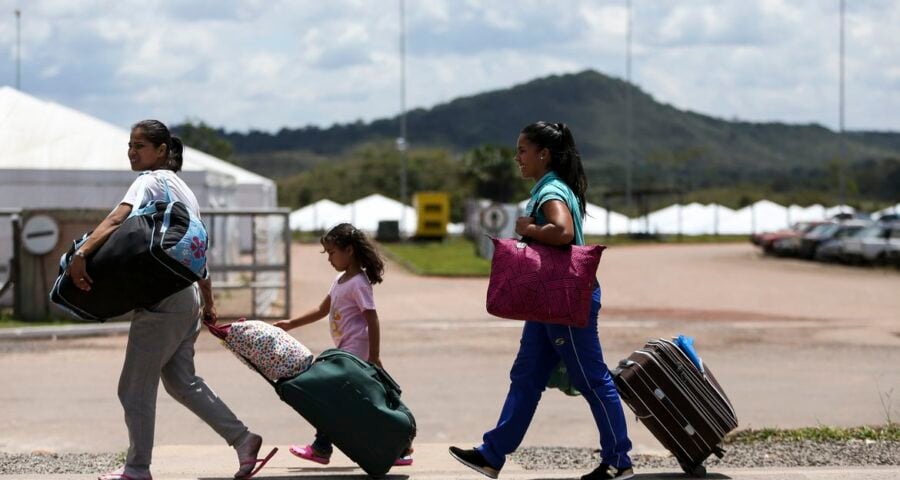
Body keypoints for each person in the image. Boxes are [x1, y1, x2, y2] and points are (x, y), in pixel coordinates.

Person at [66, 120, 275, 480]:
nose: (132, 153)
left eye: (140, 146)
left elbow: (118, 219)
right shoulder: (185, 191)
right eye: (130, 146)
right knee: (182, 382)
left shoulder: (149, 180)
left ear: (161, 151)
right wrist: (207, 302)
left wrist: (81, 254)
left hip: (162, 299)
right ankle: (243, 440)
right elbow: (196, 250)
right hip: (186, 296)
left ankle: (136, 468)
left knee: (133, 389)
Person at [448, 122, 634, 480]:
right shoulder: (549, 188)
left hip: (563, 299)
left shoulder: (551, 190)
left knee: (592, 379)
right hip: (546, 301)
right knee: (526, 376)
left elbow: (562, 232)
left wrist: (528, 230)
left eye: (522, 150)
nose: (517, 157)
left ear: (543, 154)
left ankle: (618, 460)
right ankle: (492, 454)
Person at [274, 223, 413, 466]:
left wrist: (375, 356)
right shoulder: (340, 280)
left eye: (331, 252)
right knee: (351, 403)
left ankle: (322, 447)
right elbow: (321, 309)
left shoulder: (359, 283)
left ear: (349, 250)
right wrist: (290, 323)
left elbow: (372, 318)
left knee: (333, 396)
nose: (329, 258)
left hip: (355, 354)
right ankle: (398, 450)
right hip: (345, 353)